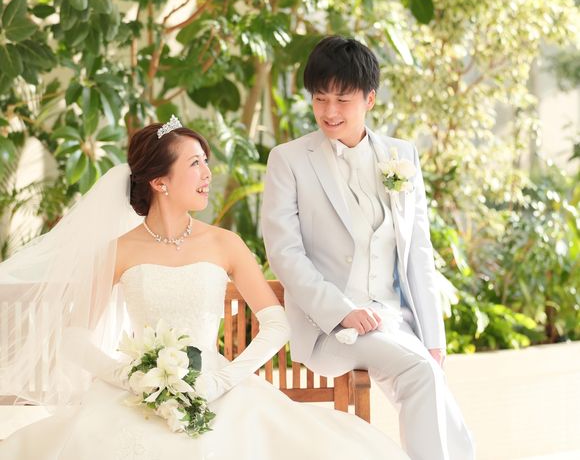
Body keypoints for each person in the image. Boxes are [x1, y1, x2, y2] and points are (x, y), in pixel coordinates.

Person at [0, 117, 410, 459]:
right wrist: (131, 378)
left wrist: (222, 380)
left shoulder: (225, 243)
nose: (208, 173)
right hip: (136, 394)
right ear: (160, 182)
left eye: (206, 162)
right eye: (195, 163)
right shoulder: (119, 250)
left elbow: (276, 324)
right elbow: (73, 338)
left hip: (217, 387)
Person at [261, 36, 475, 460]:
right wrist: (341, 310)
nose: (329, 111)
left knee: (430, 374)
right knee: (420, 373)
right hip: (331, 329)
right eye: (320, 98)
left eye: (342, 99)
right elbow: (285, 254)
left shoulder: (401, 155)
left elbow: (417, 252)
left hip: (395, 319)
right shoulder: (289, 160)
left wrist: (434, 338)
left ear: (370, 99)